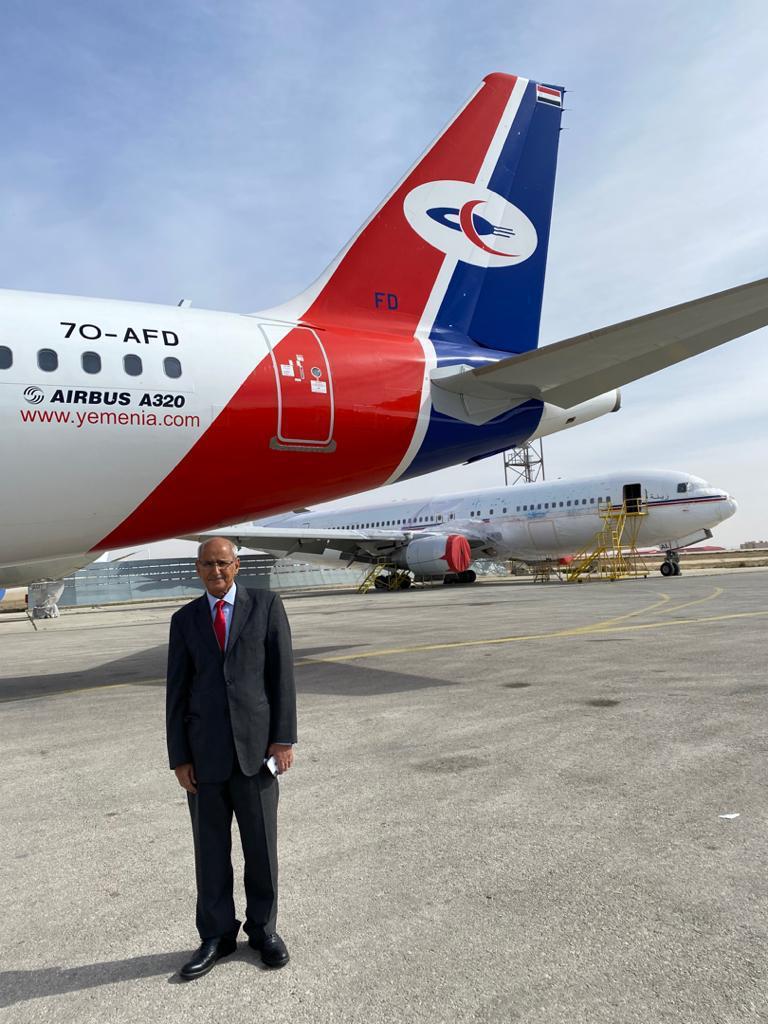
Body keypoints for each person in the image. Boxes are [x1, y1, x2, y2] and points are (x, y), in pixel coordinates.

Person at [166, 537, 297, 980]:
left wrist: (283, 739)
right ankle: (217, 935)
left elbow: (281, 677)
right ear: (197, 569)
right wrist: (179, 758)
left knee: (261, 849)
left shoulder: (266, 606)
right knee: (210, 852)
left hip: (256, 754)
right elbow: (176, 692)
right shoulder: (184, 620)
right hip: (204, 758)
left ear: (237, 565)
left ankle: (263, 930)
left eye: (223, 563)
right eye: (207, 564)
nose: (215, 571)